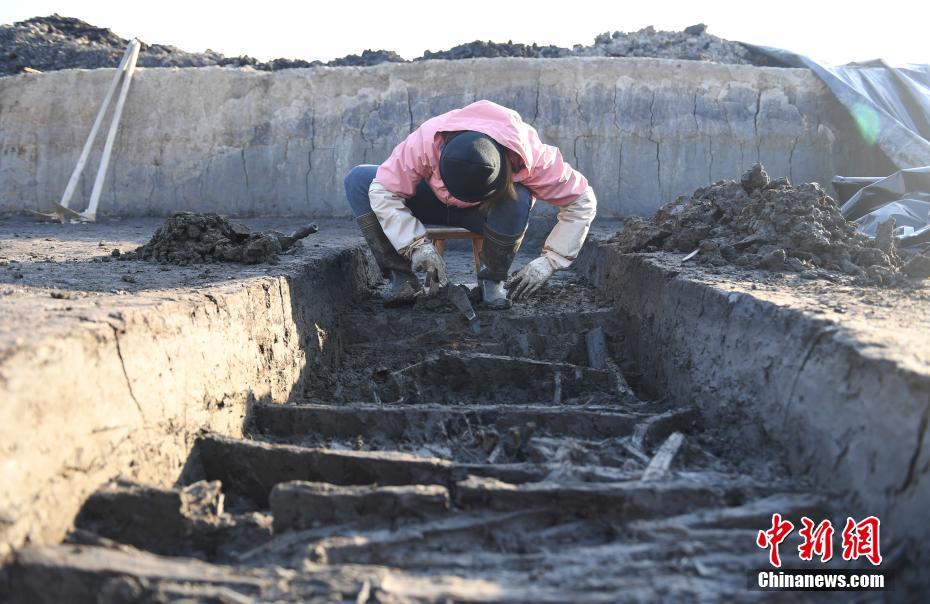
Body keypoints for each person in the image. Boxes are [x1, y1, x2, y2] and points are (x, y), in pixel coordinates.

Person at [344, 100, 596, 308]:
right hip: (432, 199)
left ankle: (492, 280)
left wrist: (551, 260)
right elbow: (384, 189)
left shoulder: (532, 156)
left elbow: (582, 200)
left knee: (517, 197)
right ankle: (403, 278)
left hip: (487, 211)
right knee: (360, 180)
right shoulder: (427, 139)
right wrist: (415, 245)